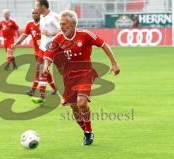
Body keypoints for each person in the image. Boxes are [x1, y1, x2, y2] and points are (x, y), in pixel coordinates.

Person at [42, 10, 120, 145]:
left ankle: (89, 131)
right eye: (60, 24)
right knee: (74, 107)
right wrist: (45, 66)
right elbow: (48, 54)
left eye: (64, 24)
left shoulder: (85, 35)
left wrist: (114, 63)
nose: (61, 26)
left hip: (85, 73)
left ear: (72, 24)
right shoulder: (58, 39)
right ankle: (86, 132)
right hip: (68, 77)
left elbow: (104, 45)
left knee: (81, 103)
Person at [12, 9, 46, 97]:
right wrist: (16, 43)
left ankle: (37, 91)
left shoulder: (44, 23)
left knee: (39, 69)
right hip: (37, 52)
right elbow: (24, 35)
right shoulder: (30, 24)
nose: (34, 14)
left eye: (36, 13)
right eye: (33, 13)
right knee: (43, 71)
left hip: (45, 51)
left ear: (40, 14)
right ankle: (52, 88)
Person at [30, 0, 59, 104]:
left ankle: (42, 96)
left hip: (51, 48)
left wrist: (50, 33)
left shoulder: (53, 16)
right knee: (42, 70)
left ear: (42, 6)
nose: (35, 7)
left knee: (43, 70)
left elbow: (63, 30)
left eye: (37, 5)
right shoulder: (42, 17)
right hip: (42, 48)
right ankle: (45, 94)